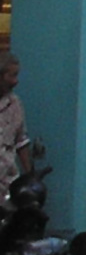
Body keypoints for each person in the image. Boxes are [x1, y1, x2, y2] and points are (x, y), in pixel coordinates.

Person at [0, 55, 31, 194]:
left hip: (7, 184)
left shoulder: (14, 104)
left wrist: (30, 176)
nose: (15, 81)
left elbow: (21, 142)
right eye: (12, 76)